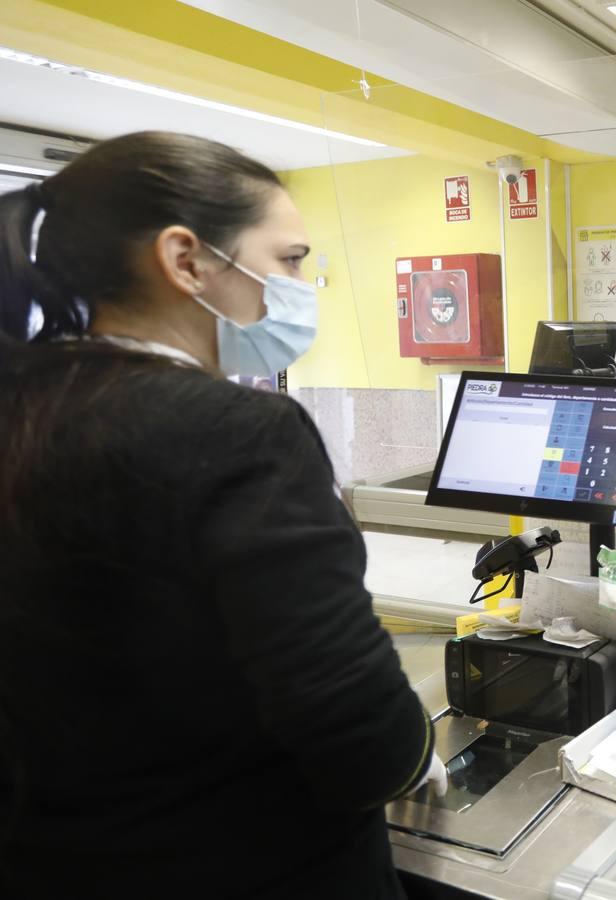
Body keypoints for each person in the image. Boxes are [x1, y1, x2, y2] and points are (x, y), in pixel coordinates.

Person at [0, 132, 444, 898]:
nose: (305, 285)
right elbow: (359, 732)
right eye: (290, 260)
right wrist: (415, 754)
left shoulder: (25, 404)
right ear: (186, 260)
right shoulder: (241, 431)